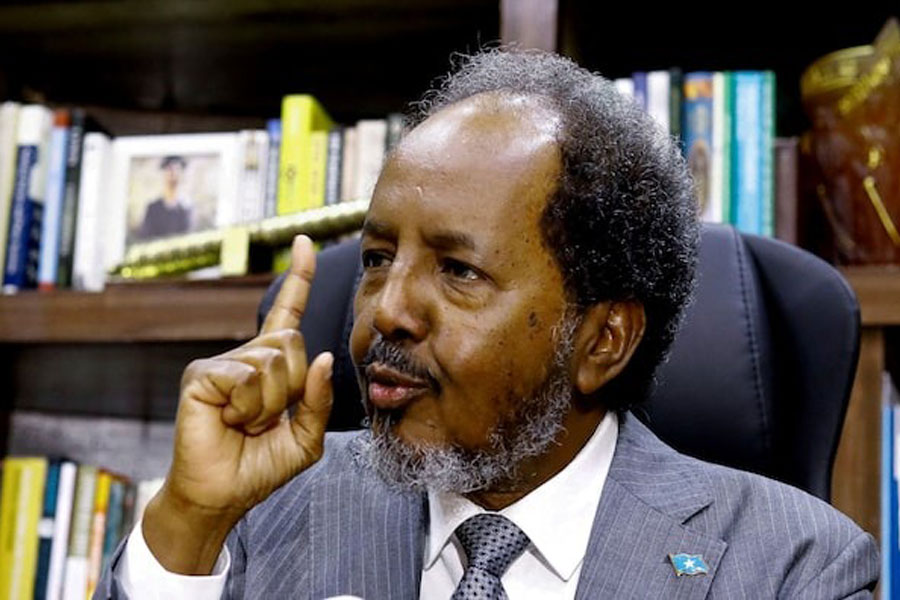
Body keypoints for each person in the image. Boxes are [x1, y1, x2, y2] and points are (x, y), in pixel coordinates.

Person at [97, 49, 877, 599]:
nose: (385, 311)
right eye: (376, 259)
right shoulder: (258, 512)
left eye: (458, 271)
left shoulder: (792, 564)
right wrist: (189, 523)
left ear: (602, 340)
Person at [137, 155, 191, 240]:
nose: (174, 173)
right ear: (164, 174)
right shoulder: (153, 209)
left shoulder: (187, 209)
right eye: (170, 169)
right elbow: (145, 238)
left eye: (177, 169)